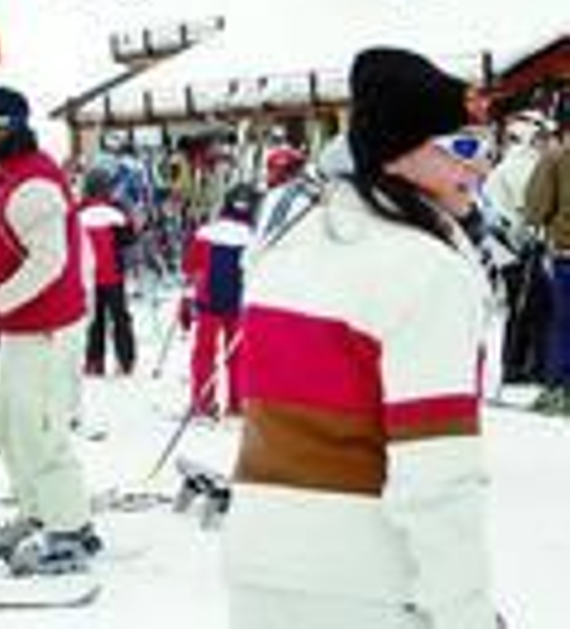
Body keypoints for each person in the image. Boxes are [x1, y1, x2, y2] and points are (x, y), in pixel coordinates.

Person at [225, 46, 497, 629]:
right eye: (465, 147)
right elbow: (436, 478)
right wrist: (466, 613)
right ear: (400, 154)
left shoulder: (287, 246)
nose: (480, 167)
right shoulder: (427, 272)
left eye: (486, 148)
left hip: (259, 569)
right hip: (367, 583)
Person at [0, 87, 98, 574]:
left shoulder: (35, 183)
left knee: (40, 425)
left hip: (48, 328)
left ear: (14, 128)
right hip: (22, 324)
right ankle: (37, 510)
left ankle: (69, 528)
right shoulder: (9, 177)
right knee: (6, 418)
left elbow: (50, 260)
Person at [489, 112, 553, 384]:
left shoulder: (520, 162)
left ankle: (518, 364)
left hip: (511, 245)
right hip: (514, 245)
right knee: (535, 304)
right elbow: (527, 206)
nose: (545, 141)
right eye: (541, 136)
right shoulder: (520, 164)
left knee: (525, 305)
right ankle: (525, 366)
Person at [182, 185, 256, 417]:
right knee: (238, 354)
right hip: (239, 303)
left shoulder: (206, 233)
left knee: (205, 352)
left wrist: (187, 298)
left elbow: (190, 266)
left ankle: (203, 400)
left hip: (208, 301)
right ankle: (237, 402)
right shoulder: (254, 237)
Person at [526, 112, 570, 413]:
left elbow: (535, 208)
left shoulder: (557, 157)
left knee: (564, 322)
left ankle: (559, 389)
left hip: (567, 250)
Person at [78, 167, 135, 376]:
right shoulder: (117, 210)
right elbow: (129, 238)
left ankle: (94, 361)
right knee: (120, 318)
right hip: (114, 274)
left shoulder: (79, 210)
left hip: (89, 275)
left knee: (95, 319)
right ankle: (125, 360)